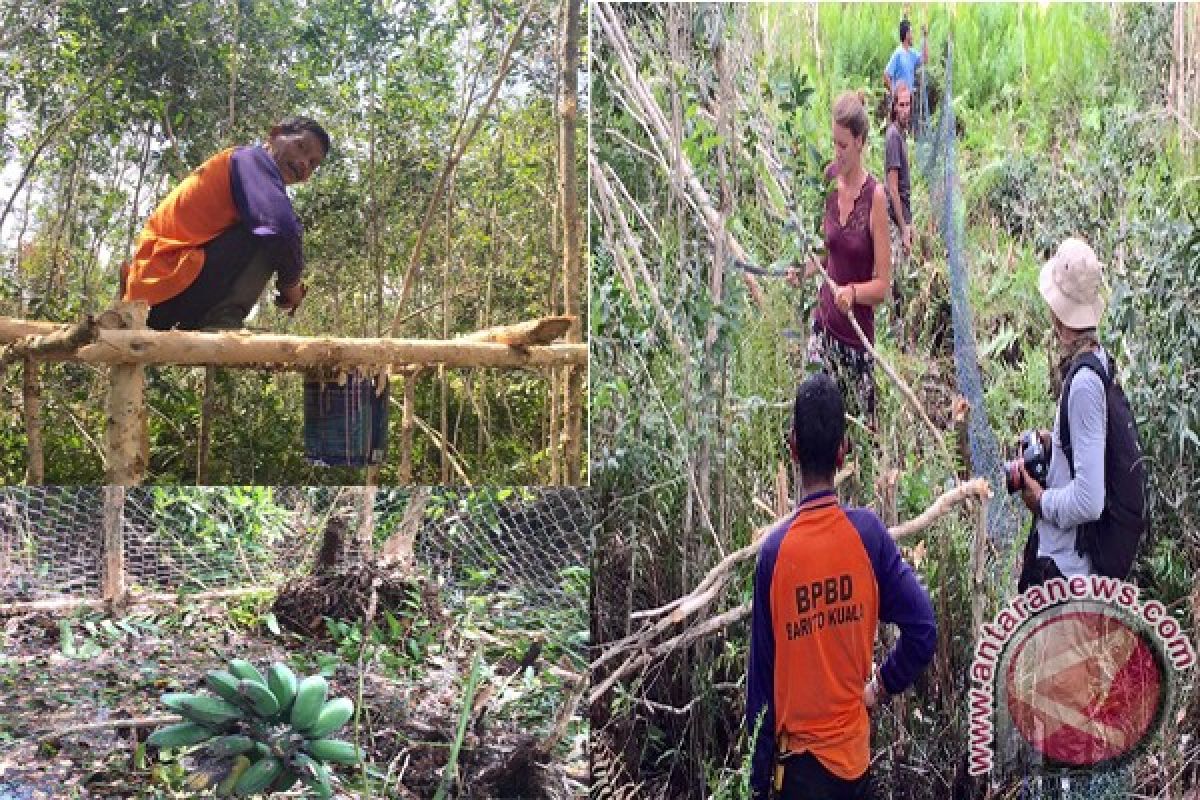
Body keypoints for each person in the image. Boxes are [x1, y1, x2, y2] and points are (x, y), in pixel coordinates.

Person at [747, 373, 937, 800]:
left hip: (797, 775)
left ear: (792, 447)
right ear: (843, 451)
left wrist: (759, 783)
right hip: (855, 768)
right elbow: (923, 630)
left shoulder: (775, 556)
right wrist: (879, 688)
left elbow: (760, 689)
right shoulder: (867, 537)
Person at [122, 116, 331, 331]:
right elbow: (281, 229)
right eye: (300, 146)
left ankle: (212, 317)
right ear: (275, 134)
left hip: (163, 290)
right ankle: (222, 318)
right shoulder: (249, 160)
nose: (304, 162)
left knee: (274, 227)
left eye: (313, 163)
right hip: (164, 289)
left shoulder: (251, 175)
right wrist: (291, 286)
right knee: (273, 230)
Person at [787, 91, 891, 424]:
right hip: (825, 325)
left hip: (856, 339)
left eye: (843, 145)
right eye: (833, 143)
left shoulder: (875, 198)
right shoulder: (829, 182)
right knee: (814, 422)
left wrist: (853, 293)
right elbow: (824, 247)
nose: (837, 153)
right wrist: (803, 271)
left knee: (858, 431)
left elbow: (883, 287)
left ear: (860, 142)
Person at [1016, 238, 1110, 586]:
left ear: (1057, 311)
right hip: (1066, 566)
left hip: (1065, 574)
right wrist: (1056, 442)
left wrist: (1041, 501)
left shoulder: (1084, 382)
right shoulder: (1095, 359)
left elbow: (1089, 501)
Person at [883, 18, 928, 98]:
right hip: (900, 99)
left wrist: (925, 37)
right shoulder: (898, 53)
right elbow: (886, 75)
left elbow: (925, 59)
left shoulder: (912, 53)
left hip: (909, 98)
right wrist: (894, 93)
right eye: (912, 33)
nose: (913, 36)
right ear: (907, 34)